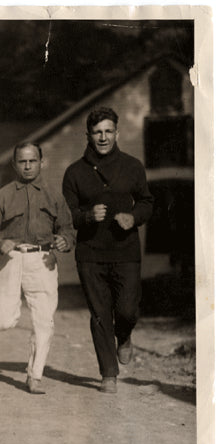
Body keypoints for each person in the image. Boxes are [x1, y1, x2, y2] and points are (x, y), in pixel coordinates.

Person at [62, 107, 154, 394]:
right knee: (100, 313)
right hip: (90, 253)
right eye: (97, 132)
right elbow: (68, 216)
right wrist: (88, 216)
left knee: (126, 310)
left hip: (125, 251)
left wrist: (134, 217)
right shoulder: (74, 172)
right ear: (88, 135)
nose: (103, 137)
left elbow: (146, 202)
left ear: (117, 133)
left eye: (108, 131)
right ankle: (108, 373)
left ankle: (124, 336)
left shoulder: (132, 166)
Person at [0, 142, 75, 394]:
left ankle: (35, 375)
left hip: (42, 260)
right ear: (15, 164)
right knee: (3, 321)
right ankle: (13, 305)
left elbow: (66, 229)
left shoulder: (53, 195)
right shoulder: (3, 195)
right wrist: (0, 243)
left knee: (44, 320)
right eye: (23, 161)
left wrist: (64, 241)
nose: (28, 166)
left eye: (33, 160)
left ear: (41, 162)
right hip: (10, 259)